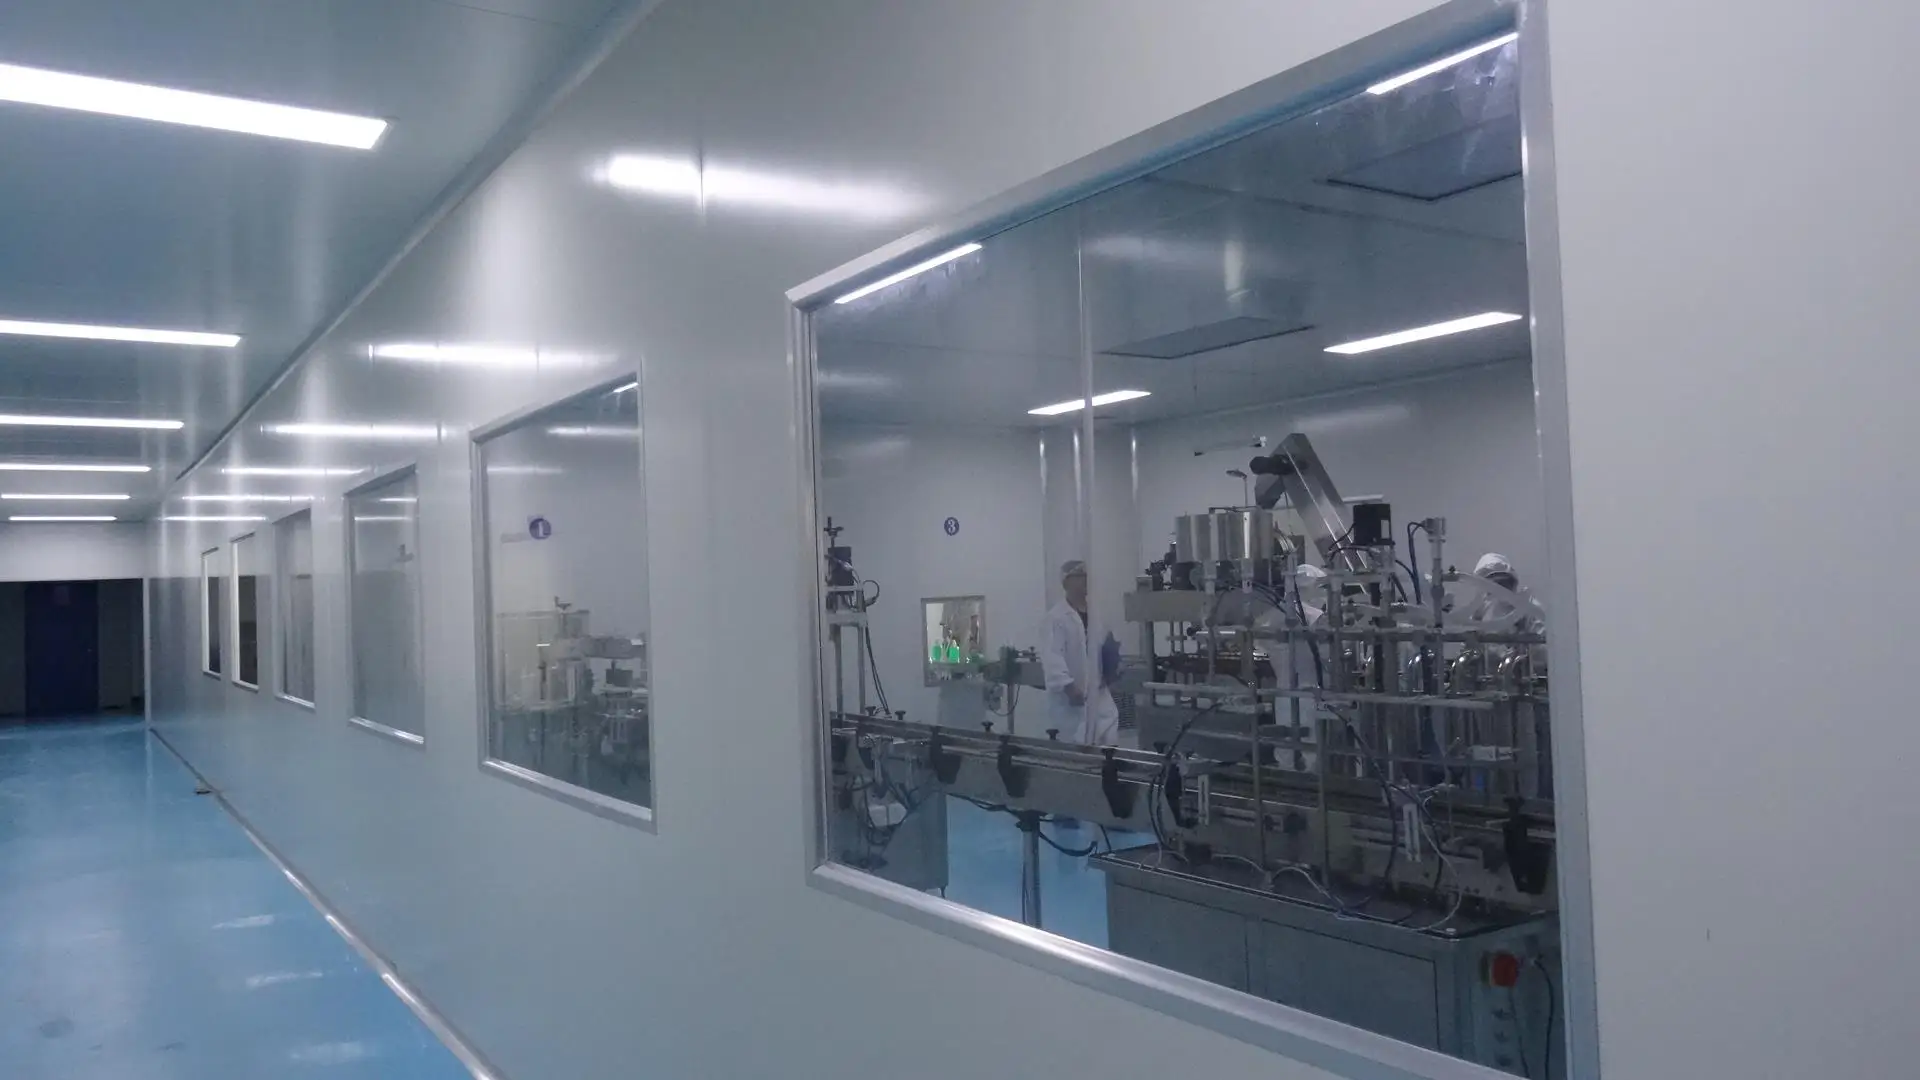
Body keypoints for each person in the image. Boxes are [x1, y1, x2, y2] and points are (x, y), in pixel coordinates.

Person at [1040, 560, 1120, 746]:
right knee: (1076, 743)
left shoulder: (1096, 614)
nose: (1085, 580)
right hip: (1071, 699)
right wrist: (1068, 686)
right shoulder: (1055, 618)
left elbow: (1106, 645)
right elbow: (1052, 656)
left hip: (1098, 692)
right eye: (1079, 576)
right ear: (1066, 582)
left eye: (1086, 576)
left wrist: (1114, 666)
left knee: (1108, 740)